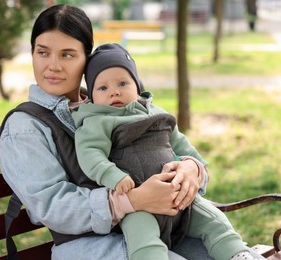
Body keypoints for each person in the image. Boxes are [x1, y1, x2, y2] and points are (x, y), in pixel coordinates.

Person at [0, 4, 258, 260]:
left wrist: (191, 169)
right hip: (90, 245)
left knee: (230, 253)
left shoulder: (112, 100)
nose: (53, 66)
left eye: (67, 55)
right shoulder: (25, 127)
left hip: (162, 226)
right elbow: (52, 206)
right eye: (43, 53)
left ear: (86, 59)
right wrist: (131, 201)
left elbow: (172, 142)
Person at [72, 43, 264, 260]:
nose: (114, 91)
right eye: (102, 88)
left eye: (122, 83)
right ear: (92, 96)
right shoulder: (97, 122)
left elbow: (181, 144)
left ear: (137, 86)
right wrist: (113, 176)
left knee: (215, 222)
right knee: (143, 241)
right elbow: (90, 154)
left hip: (179, 196)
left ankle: (236, 255)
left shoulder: (156, 114)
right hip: (140, 205)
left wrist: (193, 165)